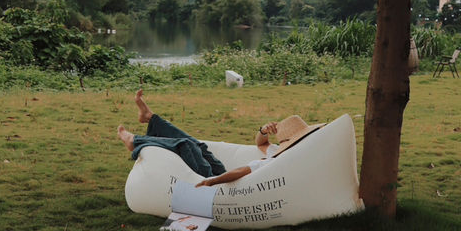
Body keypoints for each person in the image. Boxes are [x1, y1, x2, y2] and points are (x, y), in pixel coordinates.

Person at [117, 90, 323, 181]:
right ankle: (150, 117)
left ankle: (135, 141)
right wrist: (263, 130)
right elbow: (261, 144)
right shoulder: (279, 152)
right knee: (199, 145)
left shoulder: (281, 161)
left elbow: (244, 171)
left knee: (186, 145)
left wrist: (211, 183)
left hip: (221, 184)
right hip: (221, 175)